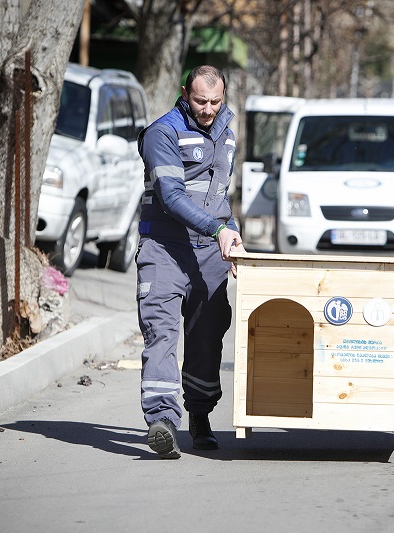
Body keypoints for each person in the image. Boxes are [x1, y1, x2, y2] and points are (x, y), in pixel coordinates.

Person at [136, 65, 243, 459]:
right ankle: (163, 421)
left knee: (207, 336)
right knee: (160, 333)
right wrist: (219, 231)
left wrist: (231, 232)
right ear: (185, 92)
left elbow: (218, 197)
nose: (208, 109)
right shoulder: (162, 133)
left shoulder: (226, 135)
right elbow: (171, 196)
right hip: (164, 248)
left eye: (216, 101)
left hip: (209, 254)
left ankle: (199, 415)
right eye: (200, 100)